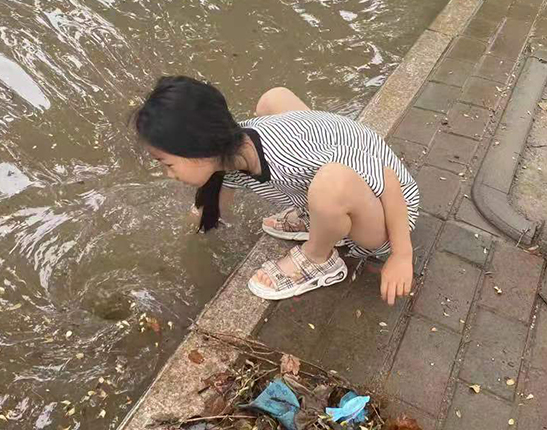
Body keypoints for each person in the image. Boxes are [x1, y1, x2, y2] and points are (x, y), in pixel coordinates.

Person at [133, 76, 419, 305]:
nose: (168, 174)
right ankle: (320, 214)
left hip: (390, 212)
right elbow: (207, 211)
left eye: (167, 163)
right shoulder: (233, 148)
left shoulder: (287, 155)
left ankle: (319, 257)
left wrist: (401, 256)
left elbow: (387, 178)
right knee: (273, 98)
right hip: (349, 178)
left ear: (199, 148)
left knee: (331, 182)